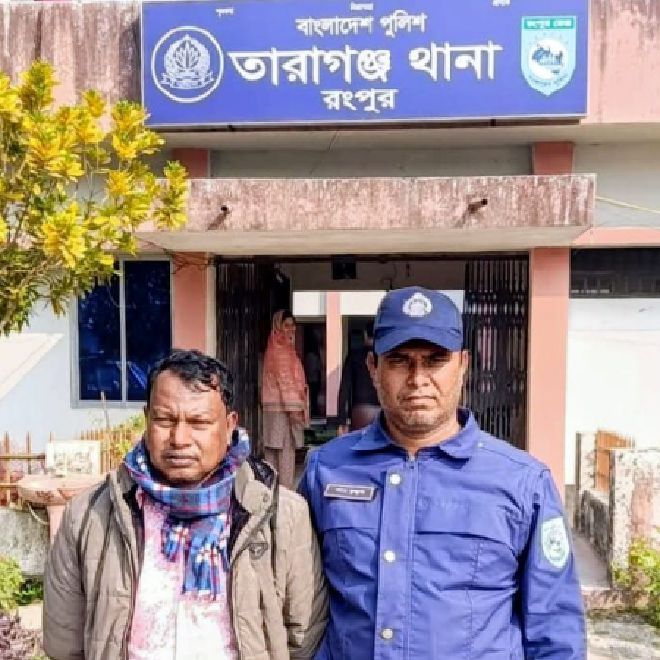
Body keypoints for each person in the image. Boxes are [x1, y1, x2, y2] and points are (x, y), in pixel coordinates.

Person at [299, 286, 585, 659]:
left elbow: (555, 630)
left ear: (463, 365)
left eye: (435, 360)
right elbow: (294, 599)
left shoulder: (522, 483)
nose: (418, 378)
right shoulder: (327, 470)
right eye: (399, 360)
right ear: (373, 368)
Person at [44, 349, 327, 660]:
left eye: (198, 422)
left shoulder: (282, 517)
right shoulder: (90, 516)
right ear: (147, 419)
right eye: (164, 420)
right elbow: (65, 644)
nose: (179, 438)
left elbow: (303, 637)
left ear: (229, 425)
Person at [262, 310, 309, 488]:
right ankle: (284, 496)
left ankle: (271, 495)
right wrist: (295, 411)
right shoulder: (282, 351)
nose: (291, 329)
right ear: (278, 327)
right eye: (287, 325)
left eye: (293, 325)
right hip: (284, 411)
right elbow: (286, 382)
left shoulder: (275, 347)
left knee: (273, 457)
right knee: (285, 457)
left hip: (274, 411)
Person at [336, 320, 379, 434]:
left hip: (360, 411)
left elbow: (345, 388)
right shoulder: (384, 357)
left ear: (365, 334)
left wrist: (342, 420)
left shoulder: (354, 356)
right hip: (382, 410)